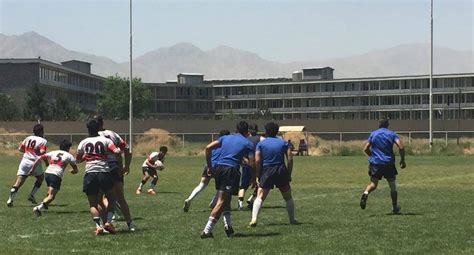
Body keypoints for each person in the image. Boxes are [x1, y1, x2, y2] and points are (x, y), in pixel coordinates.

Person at [200, 121, 255, 238]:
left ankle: (228, 226)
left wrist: (210, 167)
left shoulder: (225, 138)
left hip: (219, 168)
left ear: (236, 129)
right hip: (230, 171)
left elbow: (208, 147)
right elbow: (252, 163)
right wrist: (254, 178)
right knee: (221, 201)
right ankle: (207, 230)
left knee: (227, 199)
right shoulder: (248, 143)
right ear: (247, 132)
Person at [76, 119, 121, 235]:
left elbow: (78, 159)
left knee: (93, 203)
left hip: (90, 173)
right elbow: (117, 150)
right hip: (104, 172)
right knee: (111, 198)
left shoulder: (83, 142)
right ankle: (108, 222)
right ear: (99, 128)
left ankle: (98, 226)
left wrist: (86, 157)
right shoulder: (105, 140)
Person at [249, 122, 296, 227]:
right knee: (288, 196)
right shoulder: (283, 143)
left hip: (267, 170)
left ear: (266, 132)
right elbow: (290, 158)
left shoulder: (261, 144)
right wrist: (288, 173)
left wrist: (258, 175)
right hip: (280, 170)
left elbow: (257, 161)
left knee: (260, 196)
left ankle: (254, 219)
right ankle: (292, 220)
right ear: (277, 131)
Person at [94, 115, 136, 232]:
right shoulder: (112, 133)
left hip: (100, 167)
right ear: (102, 123)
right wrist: (126, 166)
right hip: (114, 165)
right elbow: (126, 149)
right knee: (120, 197)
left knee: (99, 198)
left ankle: (105, 224)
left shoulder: (93, 136)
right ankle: (130, 224)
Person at [359, 117, 406, 214]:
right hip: (388, 163)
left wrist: (372, 156)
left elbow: (366, 148)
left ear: (378, 125)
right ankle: (394, 207)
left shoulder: (373, 134)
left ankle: (365, 193)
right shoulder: (392, 134)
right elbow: (400, 146)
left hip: (376, 163)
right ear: (388, 125)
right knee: (392, 186)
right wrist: (402, 160)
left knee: (373, 184)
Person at [183, 130, 230, 213]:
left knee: (202, 184)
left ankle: (190, 199)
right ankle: (213, 203)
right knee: (222, 186)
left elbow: (208, 151)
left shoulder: (214, 143)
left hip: (209, 164)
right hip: (220, 166)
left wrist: (209, 166)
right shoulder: (226, 145)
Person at [31, 139, 79, 216]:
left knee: (50, 192)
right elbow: (75, 169)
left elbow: (39, 158)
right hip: (56, 175)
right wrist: (73, 171)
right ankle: (38, 208)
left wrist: (32, 169)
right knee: (52, 196)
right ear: (68, 148)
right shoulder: (69, 156)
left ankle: (44, 204)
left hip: (47, 173)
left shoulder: (54, 152)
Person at [7, 124, 47, 207]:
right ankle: (31, 195)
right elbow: (42, 152)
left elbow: (20, 149)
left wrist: (28, 152)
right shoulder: (43, 141)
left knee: (18, 182)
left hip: (24, 161)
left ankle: (10, 199)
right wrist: (45, 161)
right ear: (41, 132)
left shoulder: (28, 138)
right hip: (35, 162)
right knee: (40, 178)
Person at [237, 123, 261, 210]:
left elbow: (240, 151)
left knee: (243, 185)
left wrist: (243, 159)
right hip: (256, 163)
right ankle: (252, 198)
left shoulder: (245, 139)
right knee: (260, 183)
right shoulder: (260, 139)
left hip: (246, 164)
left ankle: (240, 203)